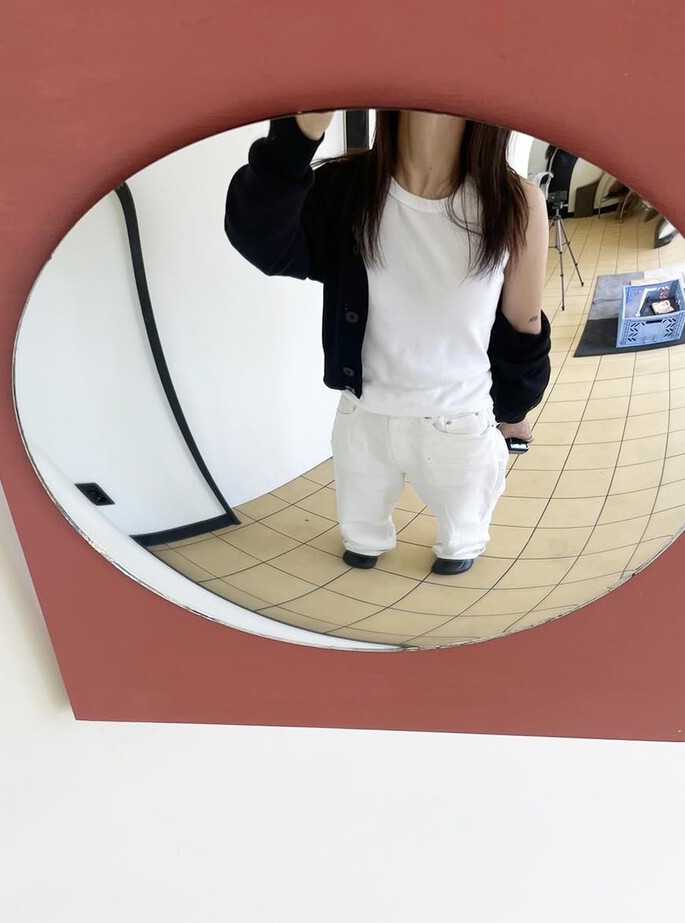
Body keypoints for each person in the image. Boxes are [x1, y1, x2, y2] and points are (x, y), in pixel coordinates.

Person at [224, 110, 551, 575]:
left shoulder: (516, 201)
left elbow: (523, 322)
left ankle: (460, 546)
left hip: (458, 415)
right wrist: (299, 133)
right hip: (365, 411)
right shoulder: (347, 189)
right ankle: (366, 542)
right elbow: (263, 241)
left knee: (463, 524)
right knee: (360, 522)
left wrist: (513, 411)